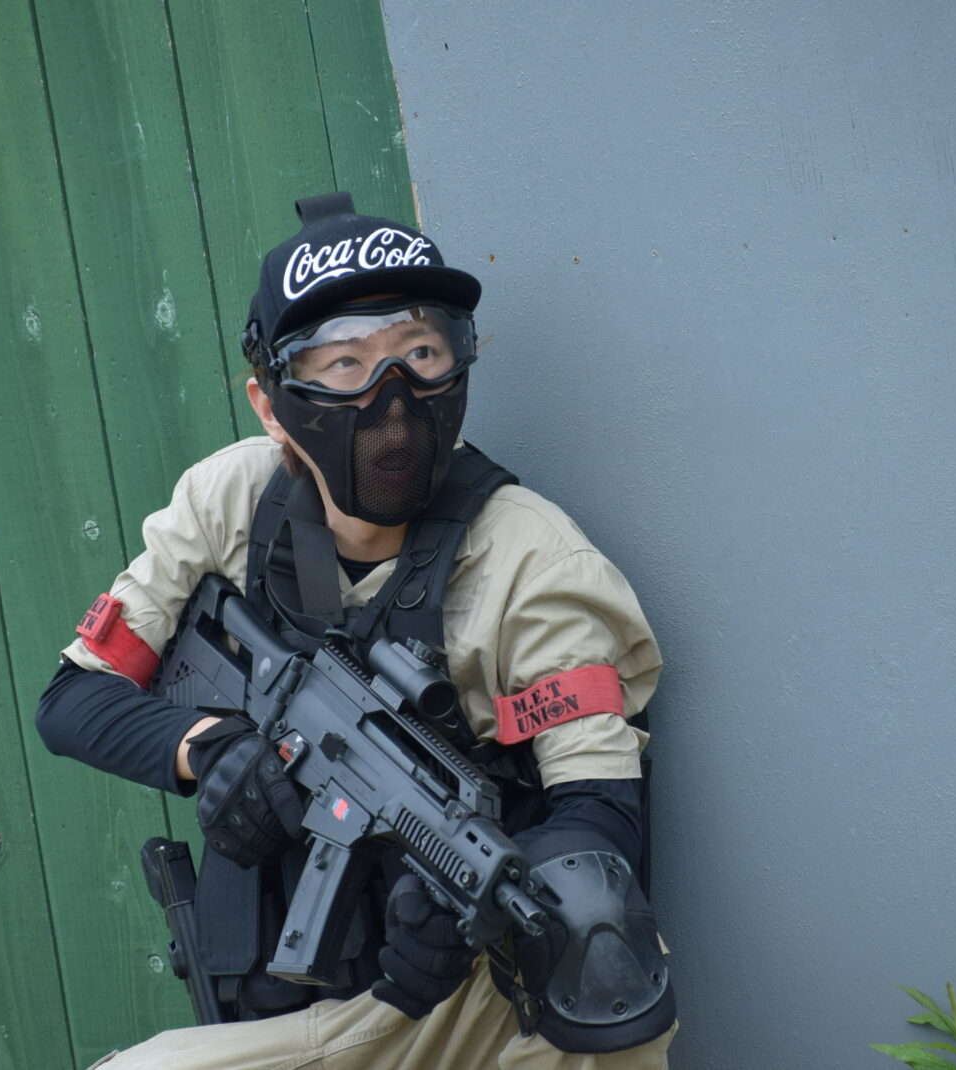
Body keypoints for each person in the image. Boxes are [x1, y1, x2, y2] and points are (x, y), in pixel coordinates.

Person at [36, 192, 677, 1069]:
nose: (391, 395)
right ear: (272, 404)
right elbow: (74, 700)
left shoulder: (532, 560)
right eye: (345, 363)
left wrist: (462, 913)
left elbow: (597, 811)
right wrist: (211, 751)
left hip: (465, 1008)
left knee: (600, 954)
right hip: (279, 1024)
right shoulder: (229, 500)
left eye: (421, 352)